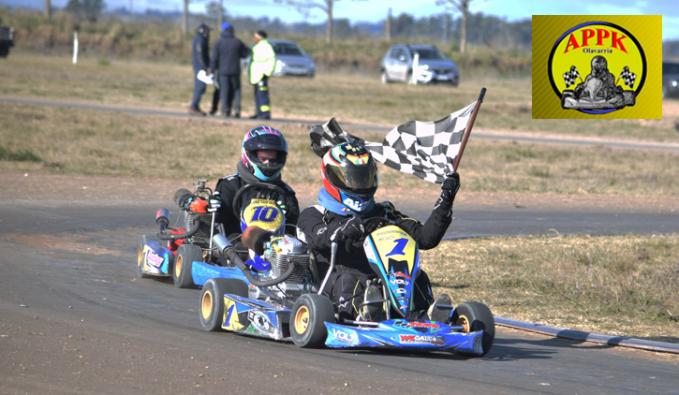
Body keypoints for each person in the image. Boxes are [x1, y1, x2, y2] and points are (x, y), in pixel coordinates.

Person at [296, 142, 460, 322]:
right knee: (352, 279)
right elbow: (319, 239)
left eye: (363, 177)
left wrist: (446, 201)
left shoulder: (384, 213)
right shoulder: (314, 214)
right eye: (352, 178)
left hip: (384, 283)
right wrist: (349, 227)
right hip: (334, 288)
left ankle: (426, 316)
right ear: (331, 177)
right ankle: (366, 313)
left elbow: (426, 238)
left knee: (416, 277)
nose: (358, 184)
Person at [213, 125, 299, 238]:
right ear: (247, 154)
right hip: (234, 248)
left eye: (272, 159)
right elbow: (217, 220)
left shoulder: (285, 193)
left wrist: (284, 218)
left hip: (274, 250)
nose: (268, 163)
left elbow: (293, 230)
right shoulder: (230, 185)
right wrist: (213, 209)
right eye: (263, 158)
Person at [210, 22, 249, 118]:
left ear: (223, 30)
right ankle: (237, 110)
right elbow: (246, 53)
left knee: (224, 90)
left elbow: (214, 58)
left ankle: (224, 110)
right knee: (236, 90)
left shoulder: (218, 42)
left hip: (223, 71)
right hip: (235, 71)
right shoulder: (237, 42)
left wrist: (212, 69)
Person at [248, 30, 276, 120]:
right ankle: (258, 112)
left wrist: (267, 73)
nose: (254, 38)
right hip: (256, 76)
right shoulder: (257, 46)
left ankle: (265, 114)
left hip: (262, 75)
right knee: (257, 95)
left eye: (256, 36)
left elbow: (272, 60)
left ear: (260, 37)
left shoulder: (267, 47)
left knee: (263, 95)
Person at [189, 23, 211, 116]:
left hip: (198, 66)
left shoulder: (199, 39)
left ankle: (195, 106)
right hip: (200, 67)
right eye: (207, 31)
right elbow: (200, 54)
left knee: (201, 87)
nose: (208, 33)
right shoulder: (200, 40)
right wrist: (204, 66)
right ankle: (193, 106)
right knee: (200, 87)